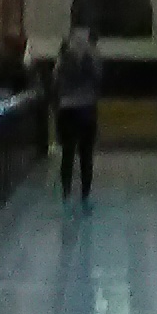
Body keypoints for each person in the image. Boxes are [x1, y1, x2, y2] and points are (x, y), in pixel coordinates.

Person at [52, 21, 101, 204]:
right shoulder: (92, 57)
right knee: (86, 154)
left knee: (67, 152)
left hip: (67, 108)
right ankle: (85, 192)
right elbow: (98, 79)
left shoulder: (64, 58)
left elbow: (56, 82)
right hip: (87, 107)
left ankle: (66, 191)